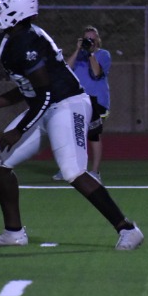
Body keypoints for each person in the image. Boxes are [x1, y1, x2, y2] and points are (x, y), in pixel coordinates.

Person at [0, 0, 143, 250]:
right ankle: (13, 233)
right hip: (47, 106)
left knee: (72, 171)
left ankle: (127, 229)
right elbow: (28, 88)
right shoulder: (14, 40)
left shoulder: (26, 42)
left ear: (15, 11)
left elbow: (44, 93)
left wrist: (18, 130)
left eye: (0, 9)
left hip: (67, 104)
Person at [53, 25, 110, 182]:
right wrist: (78, 50)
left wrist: (90, 53)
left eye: (93, 38)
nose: (90, 41)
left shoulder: (103, 55)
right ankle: (69, 168)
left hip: (96, 100)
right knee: (71, 136)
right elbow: (65, 70)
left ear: (98, 40)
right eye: (87, 39)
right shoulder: (78, 56)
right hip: (76, 99)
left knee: (93, 135)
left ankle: (95, 172)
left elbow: (97, 73)